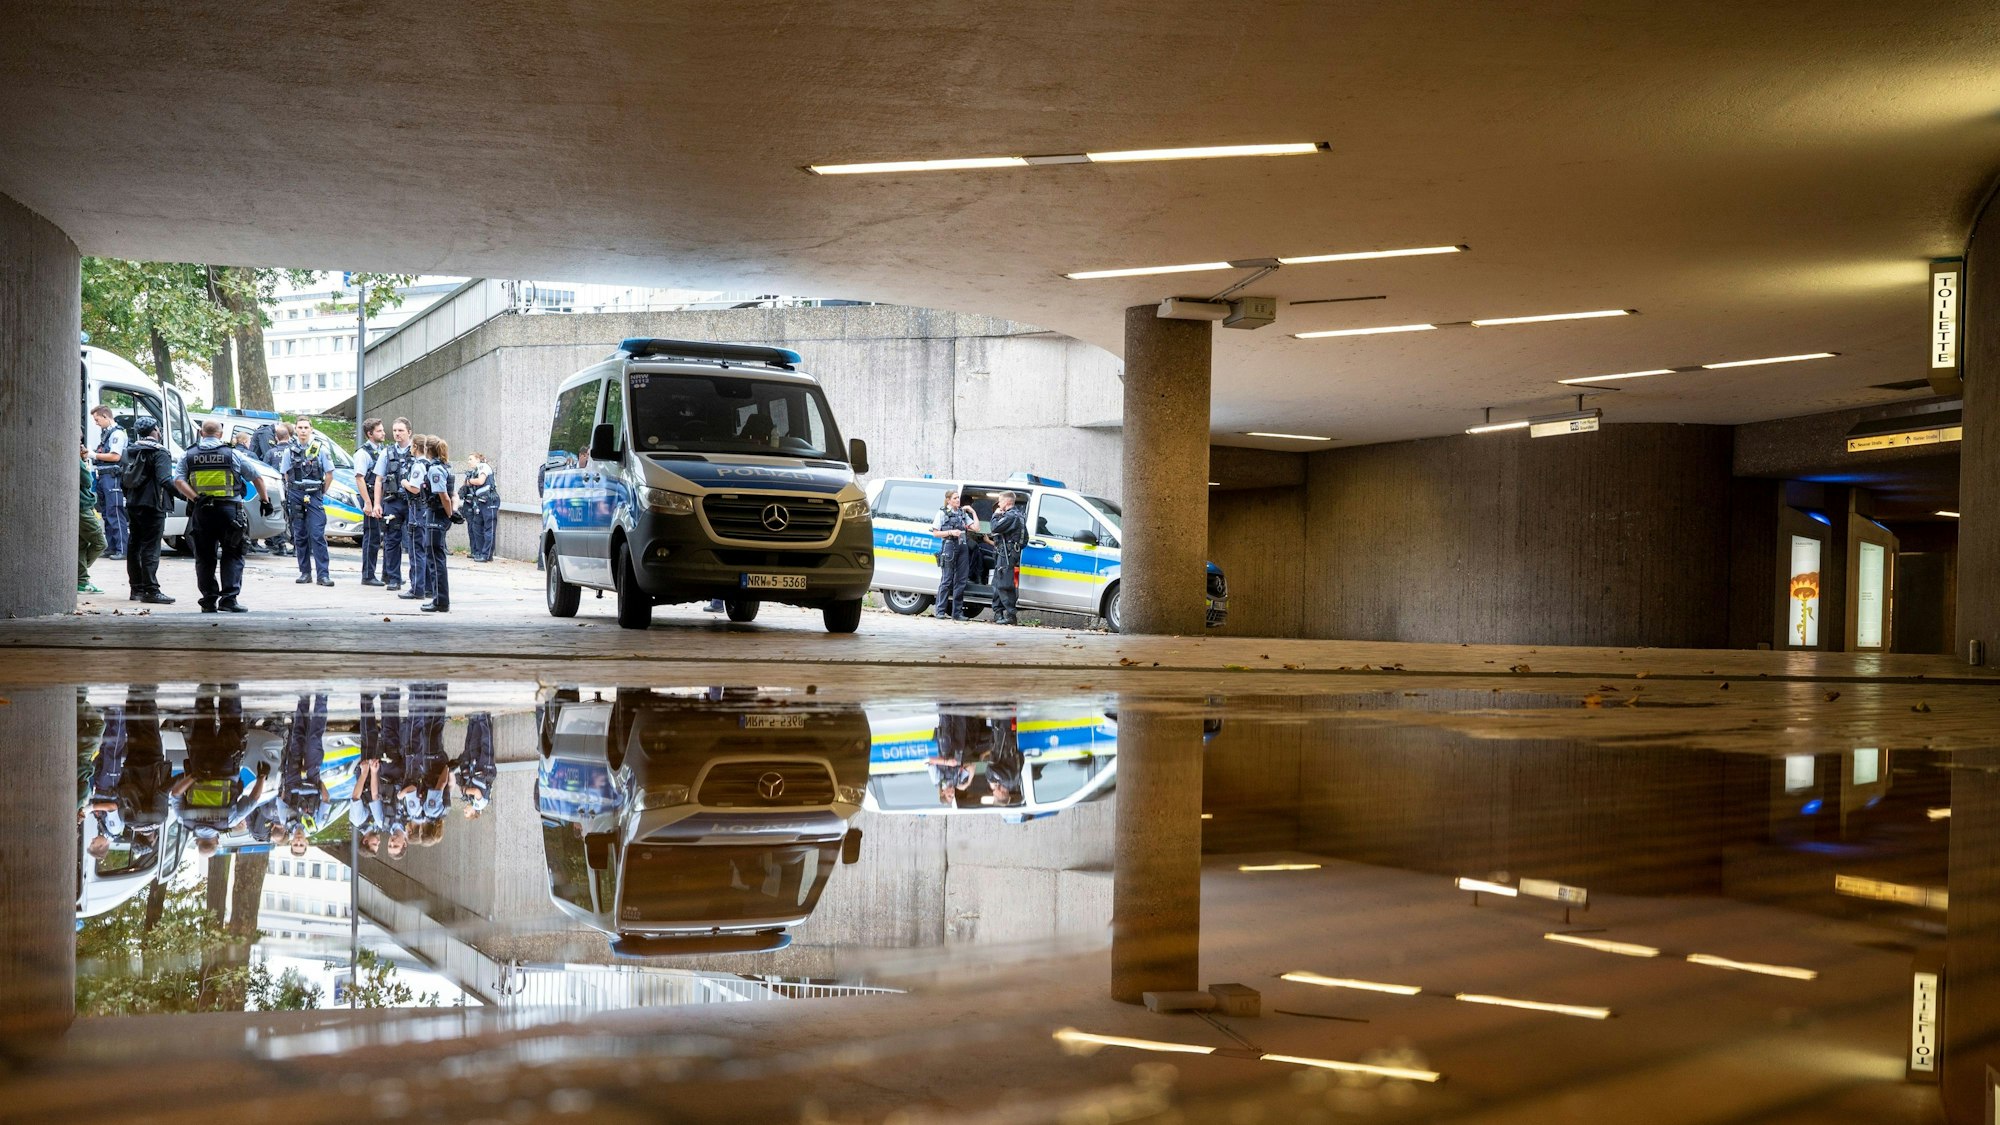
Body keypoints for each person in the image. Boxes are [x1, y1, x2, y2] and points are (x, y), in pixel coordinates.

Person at [172, 419, 273, 613]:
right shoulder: (233, 454)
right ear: (220, 434)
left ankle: (209, 600)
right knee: (232, 554)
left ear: (202, 433)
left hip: (203, 512)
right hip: (230, 512)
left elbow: (178, 480)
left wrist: (195, 498)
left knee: (204, 557)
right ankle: (228, 600)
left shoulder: (189, 455)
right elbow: (257, 477)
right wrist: (265, 501)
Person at [170, 684, 267, 855]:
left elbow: (254, 799)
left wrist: (261, 777)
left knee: (230, 722)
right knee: (203, 722)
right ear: (198, 841)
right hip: (199, 762)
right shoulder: (184, 819)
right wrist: (194, 776)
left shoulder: (229, 821)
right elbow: (176, 793)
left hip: (227, 764)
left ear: (216, 840)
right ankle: (205, 688)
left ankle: (230, 686)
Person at [120, 416, 177, 604]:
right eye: (158, 429)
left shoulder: (129, 451)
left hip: (133, 504)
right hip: (154, 505)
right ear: (155, 431)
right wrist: (187, 496)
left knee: (134, 545)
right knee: (151, 547)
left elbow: (123, 480)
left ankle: (136, 589)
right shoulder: (160, 453)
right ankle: (151, 590)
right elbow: (165, 480)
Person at [275, 417, 335, 586]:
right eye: (300, 427)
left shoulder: (320, 449)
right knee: (300, 535)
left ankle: (323, 575)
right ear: (295, 429)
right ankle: (305, 573)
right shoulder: (289, 451)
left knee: (317, 535)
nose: (302, 430)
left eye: (305, 427)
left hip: (315, 494)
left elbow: (329, 474)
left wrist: (322, 491)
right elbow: (285, 474)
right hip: (296, 494)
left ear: (311, 429)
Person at [86, 404, 129, 560]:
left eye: (97, 420)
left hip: (113, 477)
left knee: (115, 512)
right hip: (104, 477)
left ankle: (122, 549)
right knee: (106, 513)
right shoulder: (107, 434)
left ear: (105, 416)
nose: (96, 423)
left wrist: (93, 455)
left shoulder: (117, 433)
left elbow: (115, 456)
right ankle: (112, 547)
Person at [421, 436, 459, 612]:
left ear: (428, 449)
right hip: (439, 515)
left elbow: (443, 495)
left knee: (435, 559)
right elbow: (453, 495)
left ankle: (440, 601)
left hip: (436, 515)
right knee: (436, 557)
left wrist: (449, 514)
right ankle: (439, 600)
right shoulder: (444, 467)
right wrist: (452, 512)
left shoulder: (435, 469)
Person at [929, 489, 978, 621]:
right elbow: (935, 533)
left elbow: (976, 528)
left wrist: (972, 512)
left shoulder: (962, 513)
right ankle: (940, 611)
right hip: (949, 546)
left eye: (958, 498)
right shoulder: (942, 513)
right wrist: (951, 532)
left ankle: (957, 613)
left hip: (962, 547)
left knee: (961, 581)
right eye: (955, 498)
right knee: (946, 580)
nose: (958, 500)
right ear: (949, 500)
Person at [399, 435, 435, 602]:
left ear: (415, 447)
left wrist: (404, 482)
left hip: (417, 509)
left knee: (416, 551)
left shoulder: (418, 466)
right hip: (427, 510)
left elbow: (414, 489)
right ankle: (428, 588)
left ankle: (417, 588)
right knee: (426, 550)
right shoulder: (431, 464)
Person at [379, 418, 414, 590]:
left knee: (415, 541)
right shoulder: (386, 452)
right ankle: (393, 578)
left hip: (413, 502)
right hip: (392, 502)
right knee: (391, 540)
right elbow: (379, 479)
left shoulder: (418, 451)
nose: (397, 434)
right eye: (394, 430)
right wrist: (377, 504)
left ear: (409, 432)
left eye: (400, 430)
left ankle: (416, 580)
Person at [986, 490, 1027, 626]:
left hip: (1006, 554)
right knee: (998, 582)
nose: (999, 503)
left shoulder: (1010, 516)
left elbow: (994, 527)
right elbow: (1025, 539)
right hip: (1007, 553)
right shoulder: (1019, 515)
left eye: (1000, 500)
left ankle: (1010, 615)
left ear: (1007, 501)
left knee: (1004, 584)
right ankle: (998, 614)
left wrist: (995, 515)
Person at [355, 418, 387, 585]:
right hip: (370, 497)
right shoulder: (363, 453)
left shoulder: (382, 450)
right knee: (372, 536)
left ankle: (387, 574)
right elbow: (360, 479)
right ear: (370, 434)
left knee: (384, 537)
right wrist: (367, 502)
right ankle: (368, 575)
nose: (383, 433)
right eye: (379, 431)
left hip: (381, 498)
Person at [259, 422, 294, 556]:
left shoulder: (270, 453)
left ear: (276, 437)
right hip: (291, 487)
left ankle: (281, 545)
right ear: (289, 436)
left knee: (278, 515)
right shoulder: (294, 450)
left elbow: (265, 471)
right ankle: (296, 546)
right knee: (292, 516)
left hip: (275, 488)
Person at [77, 445, 107, 595]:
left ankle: (81, 581)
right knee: (100, 543)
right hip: (83, 508)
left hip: (82, 507)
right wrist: (83, 461)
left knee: (81, 546)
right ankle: (76, 575)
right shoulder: (77, 461)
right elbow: (87, 481)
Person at [459, 451, 498, 562]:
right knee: (477, 527)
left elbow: (481, 481)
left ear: (477, 459)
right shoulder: (474, 471)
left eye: (471, 459)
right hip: (480, 502)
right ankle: (480, 553)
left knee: (488, 528)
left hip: (489, 500)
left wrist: (469, 481)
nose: (469, 462)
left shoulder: (483, 466)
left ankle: (486, 555)